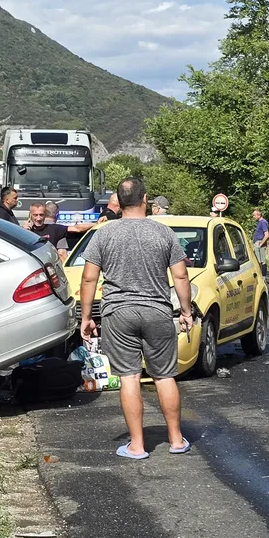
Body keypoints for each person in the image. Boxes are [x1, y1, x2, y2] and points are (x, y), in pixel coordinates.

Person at [79, 177, 194, 459]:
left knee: (129, 378)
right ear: (145, 200)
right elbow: (180, 275)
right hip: (157, 311)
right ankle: (177, 440)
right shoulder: (164, 233)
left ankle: (138, 445)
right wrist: (186, 311)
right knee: (164, 376)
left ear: (117, 202)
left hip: (118, 314)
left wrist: (86, 318)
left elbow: (88, 277)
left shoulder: (103, 234)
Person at [252, 208, 269, 274]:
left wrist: (260, 244)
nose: (253, 217)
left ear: (258, 215)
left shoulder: (263, 222)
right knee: (258, 261)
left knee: (261, 261)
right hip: (258, 242)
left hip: (260, 243)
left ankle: (263, 277)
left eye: (254, 215)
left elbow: (267, 235)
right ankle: (261, 276)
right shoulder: (260, 222)